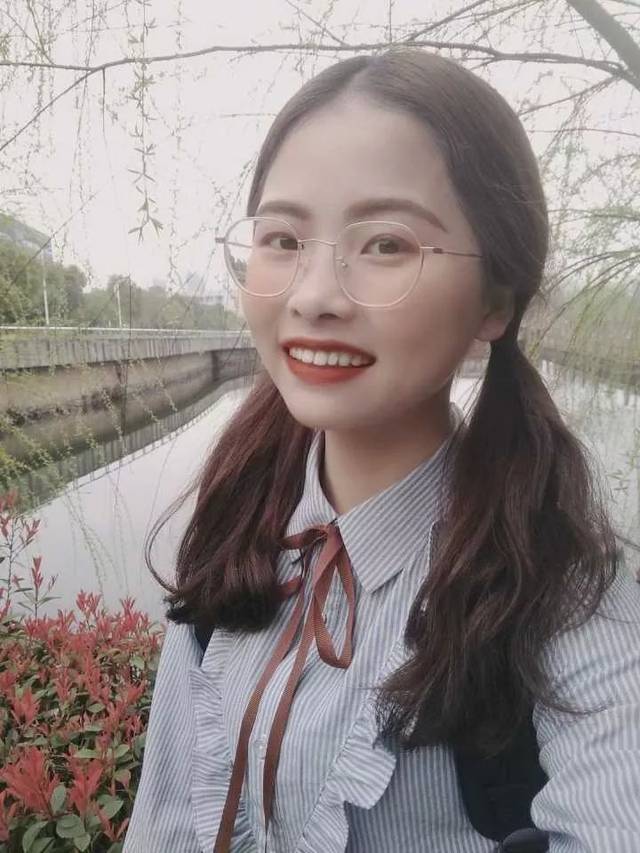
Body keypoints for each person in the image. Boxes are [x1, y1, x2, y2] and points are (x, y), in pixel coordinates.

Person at [123, 48, 640, 853]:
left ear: (496, 297)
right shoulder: (235, 528)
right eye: (283, 237)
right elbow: (165, 825)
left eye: (387, 245)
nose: (314, 295)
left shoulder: (563, 594)